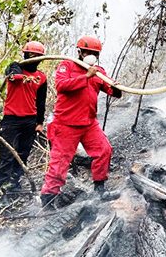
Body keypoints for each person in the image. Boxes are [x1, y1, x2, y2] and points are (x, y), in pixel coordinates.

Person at [40, 35, 122, 208]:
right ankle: (48, 200)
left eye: (95, 53)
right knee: (60, 162)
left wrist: (116, 88)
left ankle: (99, 190)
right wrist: (86, 76)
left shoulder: (99, 71)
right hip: (66, 123)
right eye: (87, 52)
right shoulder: (67, 66)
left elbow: (111, 91)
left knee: (104, 150)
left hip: (89, 123)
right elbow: (62, 86)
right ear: (79, 52)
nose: (91, 56)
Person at [0, 41, 47, 199]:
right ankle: (0, 190)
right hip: (11, 120)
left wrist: (39, 122)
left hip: (30, 121)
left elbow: (41, 102)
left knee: (23, 154)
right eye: (30, 54)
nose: (33, 58)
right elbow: (13, 76)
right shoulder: (15, 67)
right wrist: (19, 73)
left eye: (36, 56)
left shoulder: (41, 77)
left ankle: (14, 184)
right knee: (6, 156)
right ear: (25, 54)